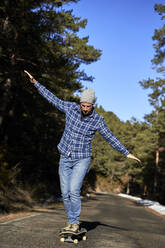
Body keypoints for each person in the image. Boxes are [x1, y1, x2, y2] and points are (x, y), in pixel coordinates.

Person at [24, 70, 141, 233]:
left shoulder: (98, 121)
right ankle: (71, 222)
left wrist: (126, 153)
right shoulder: (71, 108)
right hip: (65, 156)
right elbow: (53, 99)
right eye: (83, 105)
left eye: (88, 106)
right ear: (80, 103)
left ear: (93, 105)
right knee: (65, 193)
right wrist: (36, 84)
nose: (85, 108)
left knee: (73, 190)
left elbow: (110, 137)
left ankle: (76, 223)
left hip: (82, 159)